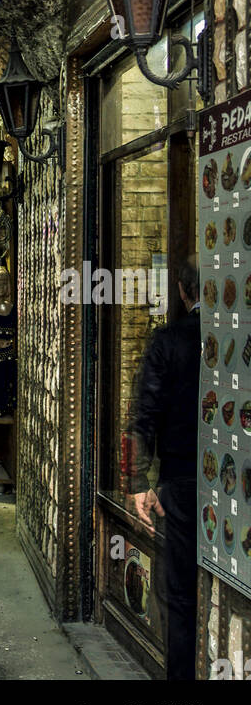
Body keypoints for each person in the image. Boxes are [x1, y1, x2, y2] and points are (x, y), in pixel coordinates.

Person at [128, 257, 201, 682]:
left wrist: (138, 482)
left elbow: (143, 415)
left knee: (178, 594)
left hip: (179, 482)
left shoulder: (168, 341)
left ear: (182, 291)